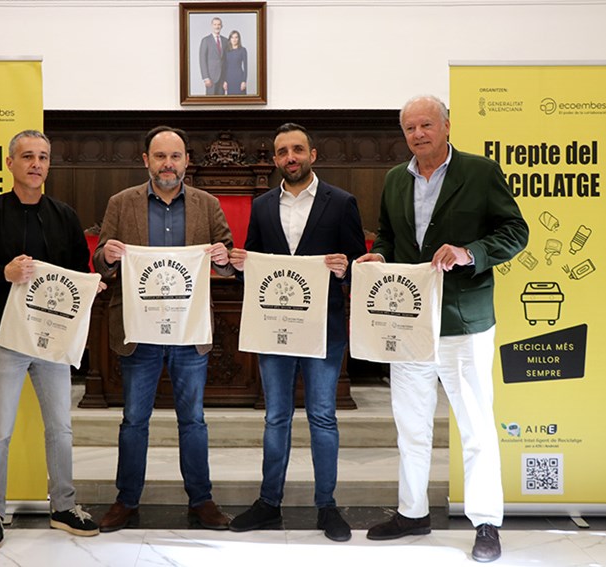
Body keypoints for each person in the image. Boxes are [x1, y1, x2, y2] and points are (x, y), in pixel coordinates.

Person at [357, 95, 529, 562]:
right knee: (411, 427)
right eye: (410, 128)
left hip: (463, 320)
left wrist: (470, 253)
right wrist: (379, 256)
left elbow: (516, 232)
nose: (418, 134)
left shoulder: (480, 172)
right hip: (408, 323)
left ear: (447, 126)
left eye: (426, 125)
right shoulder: (395, 179)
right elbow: (389, 235)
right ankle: (412, 513)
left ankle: (486, 521)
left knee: (475, 427)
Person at [0, 130, 101, 550]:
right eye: (28, 156)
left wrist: (91, 286)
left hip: (52, 342)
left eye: (43, 157)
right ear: (10, 163)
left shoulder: (64, 215)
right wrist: (3, 272)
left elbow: (78, 271)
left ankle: (63, 506)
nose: (36, 164)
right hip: (4, 340)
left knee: (61, 428)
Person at [228, 123, 367, 542]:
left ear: (312, 154)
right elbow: (253, 268)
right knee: (276, 417)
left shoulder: (341, 202)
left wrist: (345, 270)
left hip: (323, 329)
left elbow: (359, 266)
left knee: (323, 416)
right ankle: (269, 503)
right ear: (275, 159)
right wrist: (241, 265)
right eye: (282, 151)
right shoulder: (262, 205)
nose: (290, 157)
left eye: (297, 150)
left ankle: (327, 506)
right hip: (274, 327)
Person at [93, 125, 234, 532]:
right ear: (146, 161)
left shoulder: (208, 204)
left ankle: (201, 500)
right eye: (160, 156)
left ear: (187, 160)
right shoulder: (121, 203)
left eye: (175, 156)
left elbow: (228, 260)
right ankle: (126, 500)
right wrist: (108, 255)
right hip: (140, 332)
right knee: (134, 420)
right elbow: (100, 261)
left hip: (189, 332)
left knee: (193, 420)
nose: (167, 164)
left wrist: (224, 257)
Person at [198, 17, 229, 95]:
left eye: (219, 24)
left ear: (221, 26)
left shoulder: (225, 41)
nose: (217, 26)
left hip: (222, 78)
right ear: (211, 26)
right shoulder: (206, 40)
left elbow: (227, 61)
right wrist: (206, 78)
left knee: (221, 101)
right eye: (215, 24)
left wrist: (226, 79)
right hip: (211, 78)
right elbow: (202, 60)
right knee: (210, 100)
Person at [223, 30, 247, 95]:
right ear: (230, 39)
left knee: (241, 99)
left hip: (239, 78)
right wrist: (225, 80)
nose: (234, 39)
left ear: (239, 39)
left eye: (236, 37)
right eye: (232, 37)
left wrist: (244, 81)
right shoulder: (226, 51)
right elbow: (225, 67)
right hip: (229, 79)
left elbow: (245, 67)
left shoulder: (242, 50)